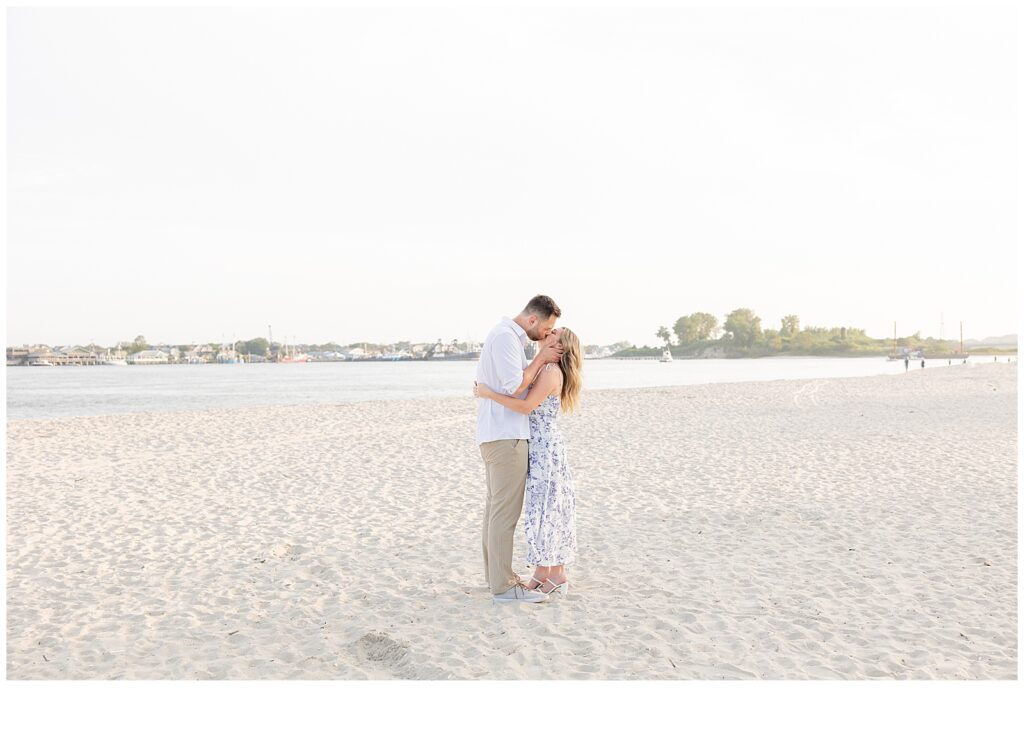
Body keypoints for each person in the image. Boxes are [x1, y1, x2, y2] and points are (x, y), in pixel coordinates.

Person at [475, 327, 582, 598]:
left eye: (553, 334)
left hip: (545, 449)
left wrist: (488, 393)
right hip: (539, 446)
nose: (546, 334)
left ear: (560, 347)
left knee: (547, 510)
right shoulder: (543, 369)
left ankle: (557, 575)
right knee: (541, 509)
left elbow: (525, 407)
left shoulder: (549, 372)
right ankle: (542, 573)